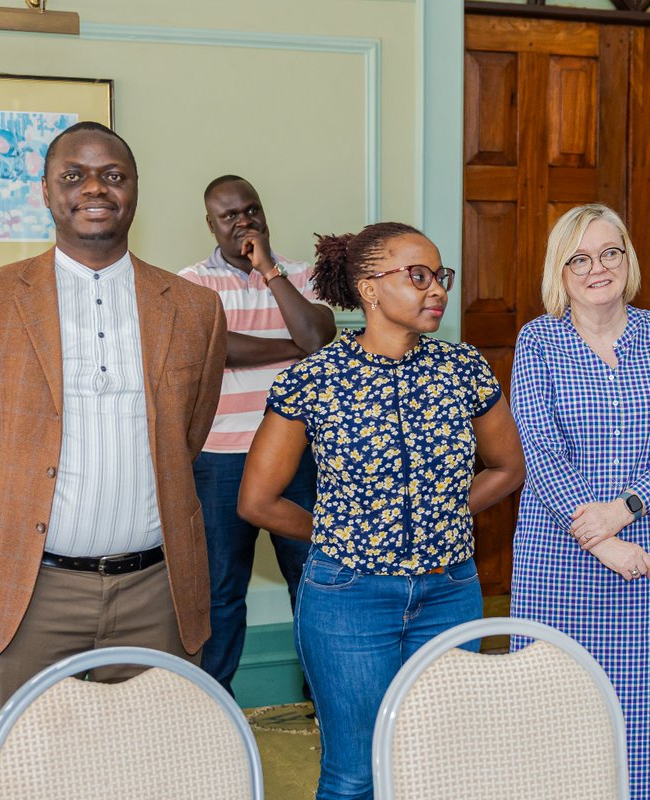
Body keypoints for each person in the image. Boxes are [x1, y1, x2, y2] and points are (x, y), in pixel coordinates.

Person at [0, 121, 227, 737]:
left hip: (158, 592)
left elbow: (188, 436)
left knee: (151, 763)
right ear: (46, 192)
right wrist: (15, 513)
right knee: (24, 763)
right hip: (26, 589)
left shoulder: (195, 307)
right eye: (74, 175)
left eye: (113, 175)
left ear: (135, 190)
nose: (95, 188)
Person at [237, 221, 525, 800]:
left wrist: (444, 513)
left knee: (438, 767)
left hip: (449, 592)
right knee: (356, 773)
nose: (436, 289)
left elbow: (507, 467)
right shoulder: (314, 379)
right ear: (369, 288)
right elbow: (257, 500)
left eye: (440, 276)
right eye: (418, 276)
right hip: (349, 597)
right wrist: (341, 531)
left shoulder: (464, 368)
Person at [508, 203, 650, 800]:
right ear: (560, 271)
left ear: (628, 258)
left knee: (648, 716)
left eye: (609, 253)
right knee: (556, 713)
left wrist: (622, 512)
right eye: (579, 259)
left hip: (648, 558)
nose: (597, 268)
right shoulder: (538, 341)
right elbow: (540, 450)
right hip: (559, 561)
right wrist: (601, 542)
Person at [179, 175, 336, 695]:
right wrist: (294, 349)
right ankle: (212, 710)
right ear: (211, 224)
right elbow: (214, 348)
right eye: (230, 215)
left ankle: (326, 701)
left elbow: (317, 335)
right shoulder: (192, 282)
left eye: (252, 209)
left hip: (299, 454)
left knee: (312, 581)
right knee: (221, 591)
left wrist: (269, 271)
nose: (244, 221)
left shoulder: (300, 275)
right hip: (221, 457)